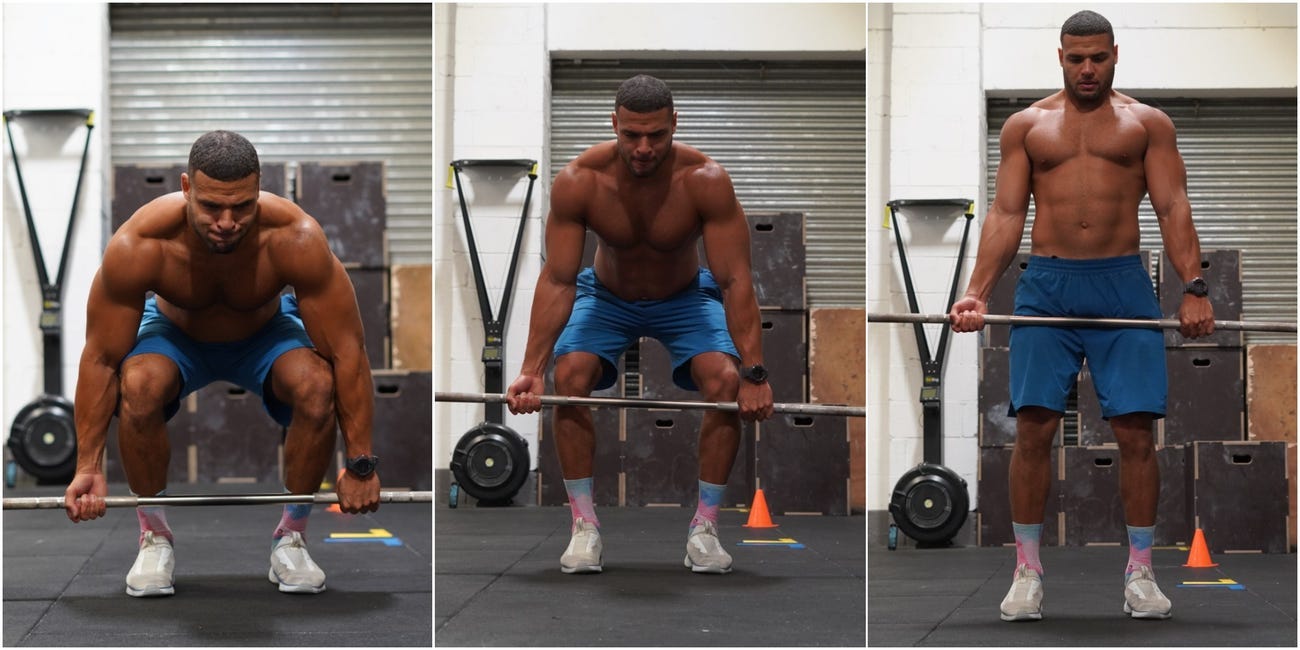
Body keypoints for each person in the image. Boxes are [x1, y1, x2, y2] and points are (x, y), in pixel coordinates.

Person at [948, 11, 1214, 621]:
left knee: (1135, 434)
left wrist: (1194, 287)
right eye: (1075, 58)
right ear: (1060, 56)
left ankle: (1141, 573)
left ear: (1115, 54)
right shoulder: (1026, 126)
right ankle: (1027, 571)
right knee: (1035, 429)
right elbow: (1006, 213)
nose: (1086, 69)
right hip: (1048, 284)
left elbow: (1173, 206)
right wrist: (977, 291)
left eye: (1097, 58)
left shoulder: (1147, 124)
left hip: (1122, 284)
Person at [63, 130, 382, 597]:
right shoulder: (140, 243)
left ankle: (291, 538)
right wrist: (87, 464)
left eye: (242, 206)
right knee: (139, 384)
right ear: (186, 187)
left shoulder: (295, 237)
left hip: (266, 334)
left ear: (259, 188)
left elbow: (348, 352)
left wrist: (360, 464)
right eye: (212, 206)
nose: (227, 222)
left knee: (317, 383)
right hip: (175, 335)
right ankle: (154, 538)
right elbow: (100, 358)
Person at [505, 74, 774, 575]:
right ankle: (584, 527)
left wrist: (756, 374)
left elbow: (735, 281)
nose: (644, 148)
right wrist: (530, 368)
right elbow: (560, 279)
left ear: (675, 124)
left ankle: (705, 529)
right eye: (632, 135)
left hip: (686, 299)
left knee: (726, 382)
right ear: (614, 125)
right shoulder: (580, 181)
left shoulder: (706, 180)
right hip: (606, 297)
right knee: (571, 376)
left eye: (656, 135)